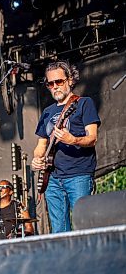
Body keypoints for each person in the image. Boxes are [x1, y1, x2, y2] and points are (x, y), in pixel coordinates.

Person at [31, 61, 100, 233]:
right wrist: (37, 160)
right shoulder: (47, 112)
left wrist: (73, 140)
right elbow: (41, 145)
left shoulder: (84, 103)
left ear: (70, 80)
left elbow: (92, 138)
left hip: (79, 175)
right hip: (52, 178)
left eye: (59, 82)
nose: (55, 87)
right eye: (50, 84)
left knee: (83, 226)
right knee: (59, 230)